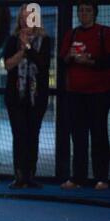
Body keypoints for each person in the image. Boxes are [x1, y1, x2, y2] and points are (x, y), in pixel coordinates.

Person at [59, 0, 109, 190]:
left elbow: (107, 61)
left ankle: (102, 178)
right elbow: (62, 60)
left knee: (99, 136)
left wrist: (90, 61)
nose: (84, 13)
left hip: (99, 94)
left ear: (95, 13)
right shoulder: (71, 34)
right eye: (81, 10)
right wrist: (72, 57)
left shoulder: (104, 33)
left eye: (87, 10)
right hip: (75, 95)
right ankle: (77, 178)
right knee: (78, 138)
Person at [3, 4, 51, 189]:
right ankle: (19, 176)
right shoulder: (12, 40)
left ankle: (30, 175)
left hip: (37, 97)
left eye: (29, 17)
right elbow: (7, 65)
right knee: (19, 134)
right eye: (22, 17)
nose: (25, 21)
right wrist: (22, 51)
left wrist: (29, 48)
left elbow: (43, 64)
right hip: (15, 97)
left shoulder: (44, 40)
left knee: (33, 134)